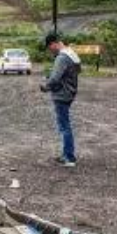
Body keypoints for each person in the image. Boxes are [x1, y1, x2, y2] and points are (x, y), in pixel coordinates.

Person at [39, 33, 82, 167]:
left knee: (64, 126)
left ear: (54, 43)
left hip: (62, 94)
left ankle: (69, 158)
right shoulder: (71, 54)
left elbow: (55, 77)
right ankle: (66, 154)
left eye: (50, 47)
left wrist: (46, 86)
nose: (50, 50)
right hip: (70, 92)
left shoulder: (62, 58)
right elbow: (77, 71)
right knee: (65, 125)